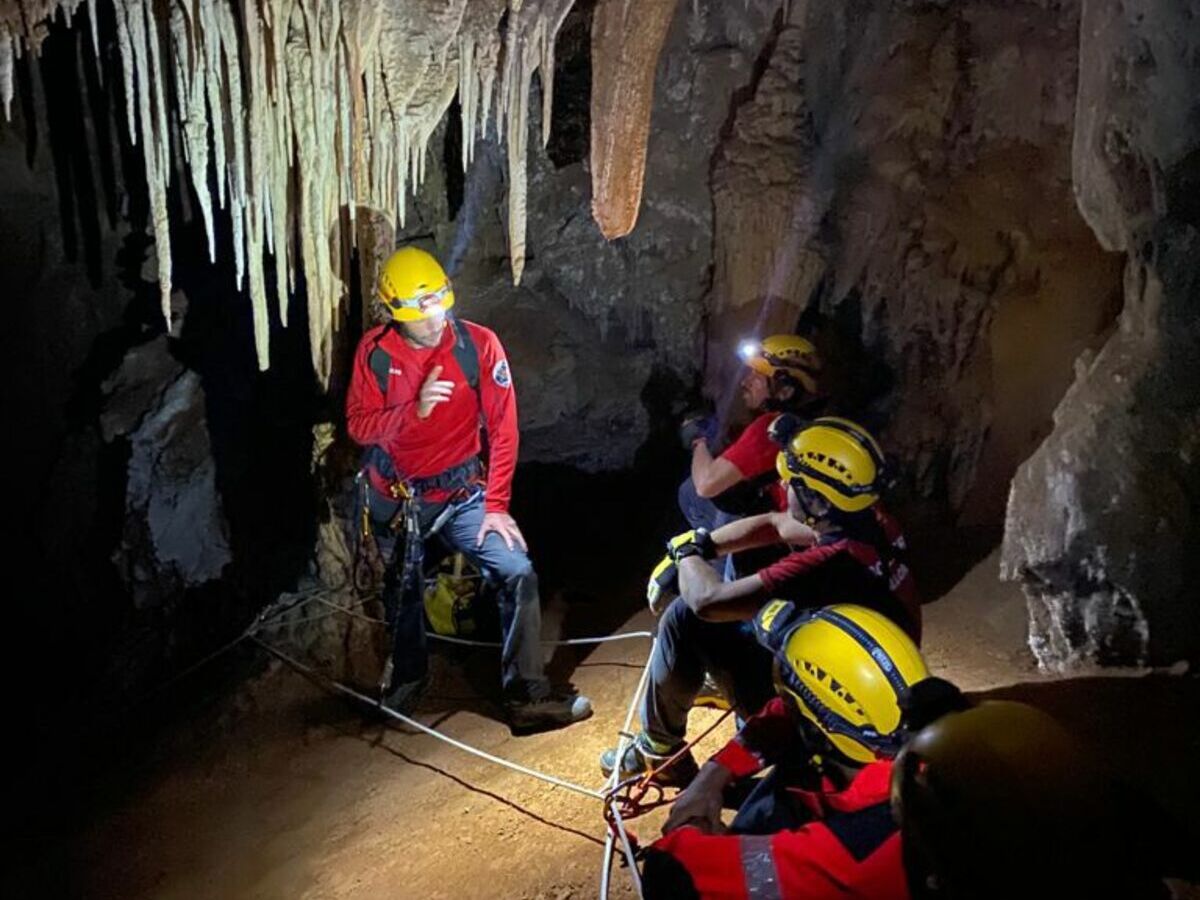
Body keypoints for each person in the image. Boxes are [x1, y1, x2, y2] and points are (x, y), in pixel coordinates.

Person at [345, 245, 591, 733]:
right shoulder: (375, 354)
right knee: (402, 589)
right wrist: (410, 411)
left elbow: (503, 428)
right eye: (423, 315)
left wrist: (497, 505)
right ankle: (409, 679)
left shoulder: (476, 346)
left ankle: (525, 694)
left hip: (462, 494)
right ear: (396, 314)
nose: (436, 322)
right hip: (399, 499)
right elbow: (358, 426)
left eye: (441, 307)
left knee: (517, 571)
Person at [603, 417, 919, 783]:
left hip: (837, 726)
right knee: (743, 585)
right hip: (878, 700)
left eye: (793, 482)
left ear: (817, 499)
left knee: (684, 619)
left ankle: (659, 754)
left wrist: (684, 550)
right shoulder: (869, 523)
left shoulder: (827, 564)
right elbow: (775, 522)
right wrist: (706, 543)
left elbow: (708, 600)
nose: (784, 484)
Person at [641, 601, 933, 899]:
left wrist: (692, 825)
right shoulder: (939, 737)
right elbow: (789, 715)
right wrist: (713, 776)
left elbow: (669, 870)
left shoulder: (850, 851)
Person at [679, 335, 824, 542]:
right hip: (799, 521)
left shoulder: (770, 430)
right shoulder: (811, 421)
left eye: (757, 376)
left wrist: (698, 440)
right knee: (690, 490)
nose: (745, 382)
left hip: (784, 531)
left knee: (692, 492)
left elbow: (705, 485)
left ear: (785, 390)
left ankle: (716, 563)